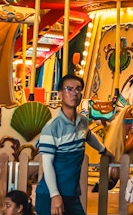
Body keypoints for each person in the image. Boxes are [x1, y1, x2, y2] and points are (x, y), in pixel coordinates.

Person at [35, 74, 113, 215]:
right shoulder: (51, 128)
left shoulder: (82, 122)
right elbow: (47, 164)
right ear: (60, 94)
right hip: (51, 194)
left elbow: (88, 135)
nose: (74, 93)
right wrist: (54, 195)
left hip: (71, 193)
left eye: (78, 89)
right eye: (69, 89)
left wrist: (103, 150)